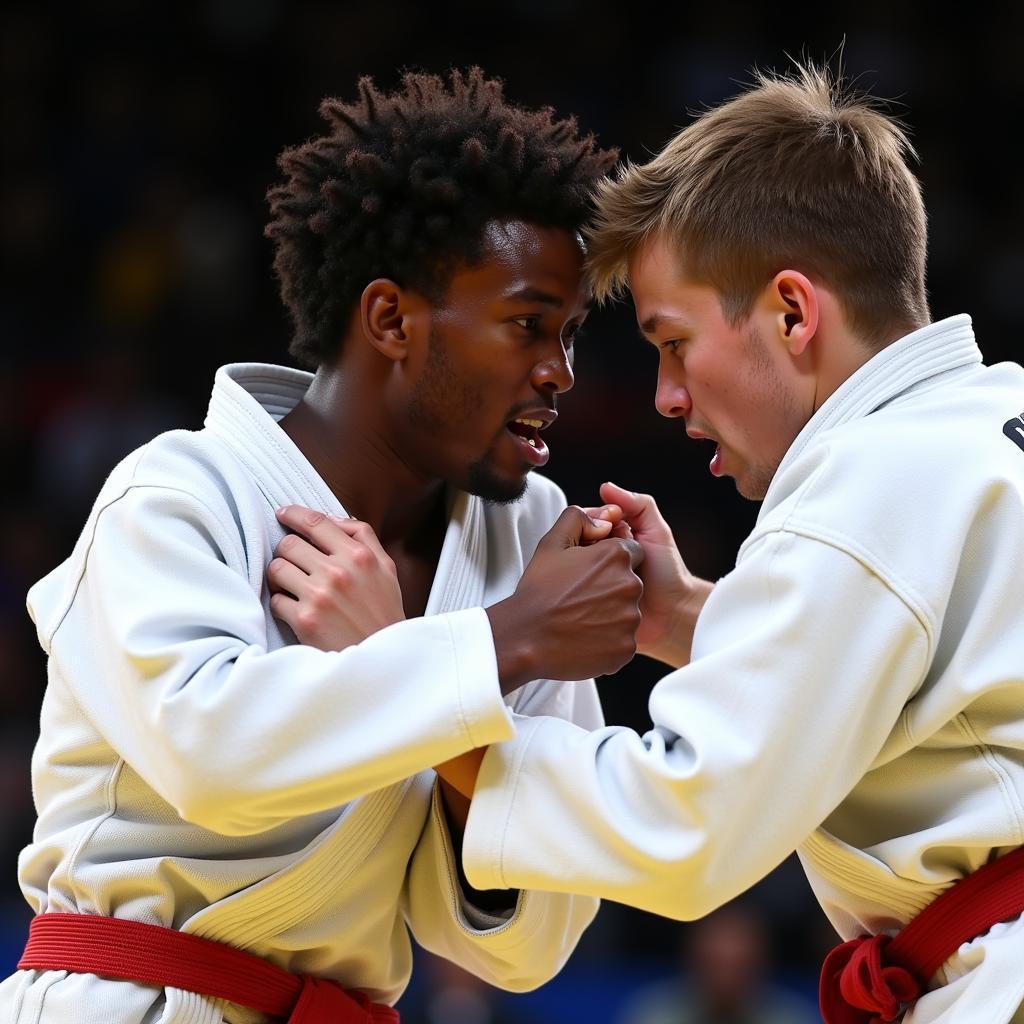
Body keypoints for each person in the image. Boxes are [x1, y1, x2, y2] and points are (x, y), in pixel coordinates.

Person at [1, 69, 645, 1024]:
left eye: (572, 335)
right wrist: (503, 642)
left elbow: (527, 945)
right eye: (526, 325)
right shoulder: (180, 491)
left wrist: (420, 671)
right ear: (390, 319)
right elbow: (216, 762)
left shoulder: (526, 544)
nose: (560, 371)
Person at [416, 63, 1022, 1022]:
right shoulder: (987, 422)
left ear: (792, 312)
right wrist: (688, 615)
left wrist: (413, 700)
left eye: (673, 342)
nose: (666, 397)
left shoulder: (868, 478)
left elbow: (687, 824)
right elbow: (904, 674)